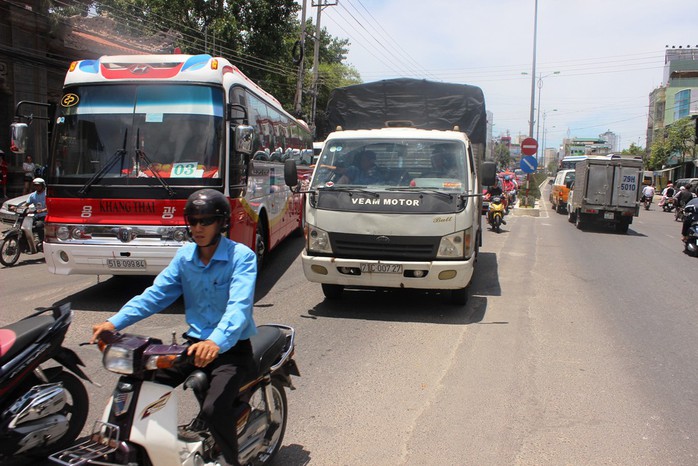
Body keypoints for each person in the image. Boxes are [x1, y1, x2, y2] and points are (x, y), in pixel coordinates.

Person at [90, 189, 258, 466]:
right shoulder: (184, 257)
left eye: (206, 221)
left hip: (230, 350)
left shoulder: (241, 257)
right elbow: (155, 295)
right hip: (193, 346)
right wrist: (113, 322)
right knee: (141, 382)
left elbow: (238, 307)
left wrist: (215, 341)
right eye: (193, 221)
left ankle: (231, 461)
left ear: (222, 223)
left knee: (214, 409)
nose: (198, 228)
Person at [27, 177, 47, 244]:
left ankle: (41, 241)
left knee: (39, 225)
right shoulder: (33, 195)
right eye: (35, 185)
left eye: (38, 185)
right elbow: (27, 203)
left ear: (42, 186)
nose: (37, 187)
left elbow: (50, 206)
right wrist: (17, 208)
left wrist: (42, 210)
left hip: (45, 215)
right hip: (36, 215)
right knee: (26, 223)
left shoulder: (46, 194)